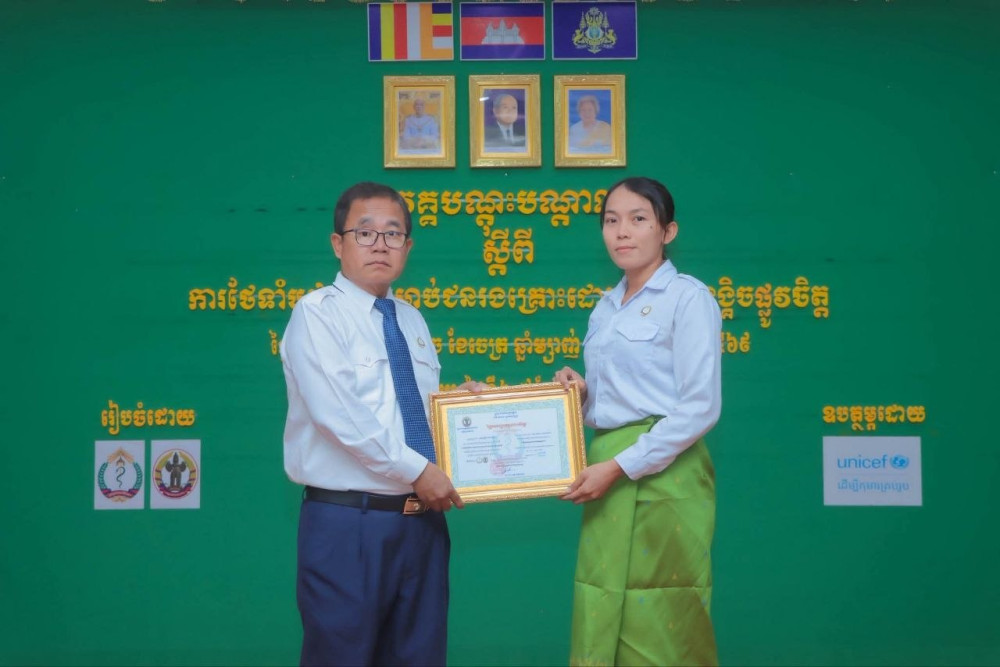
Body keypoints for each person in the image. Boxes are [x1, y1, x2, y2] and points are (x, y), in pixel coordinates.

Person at [281, 181, 478, 666]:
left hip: (421, 525)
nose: (380, 245)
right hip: (349, 526)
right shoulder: (317, 314)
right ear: (338, 243)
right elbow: (340, 417)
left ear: (407, 247)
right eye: (365, 233)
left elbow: (410, 412)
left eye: (393, 234)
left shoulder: (411, 319)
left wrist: (462, 412)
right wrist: (419, 470)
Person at [554, 176, 722, 666]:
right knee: (602, 597)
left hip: (666, 474)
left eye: (638, 219)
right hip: (607, 469)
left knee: (662, 607)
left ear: (668, 231)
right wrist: (581, 396)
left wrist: (620, 466)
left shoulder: (688, 298)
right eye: (611, 221)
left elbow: (700, 406)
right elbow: (612, 406)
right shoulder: (605, 307)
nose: (622, 231)